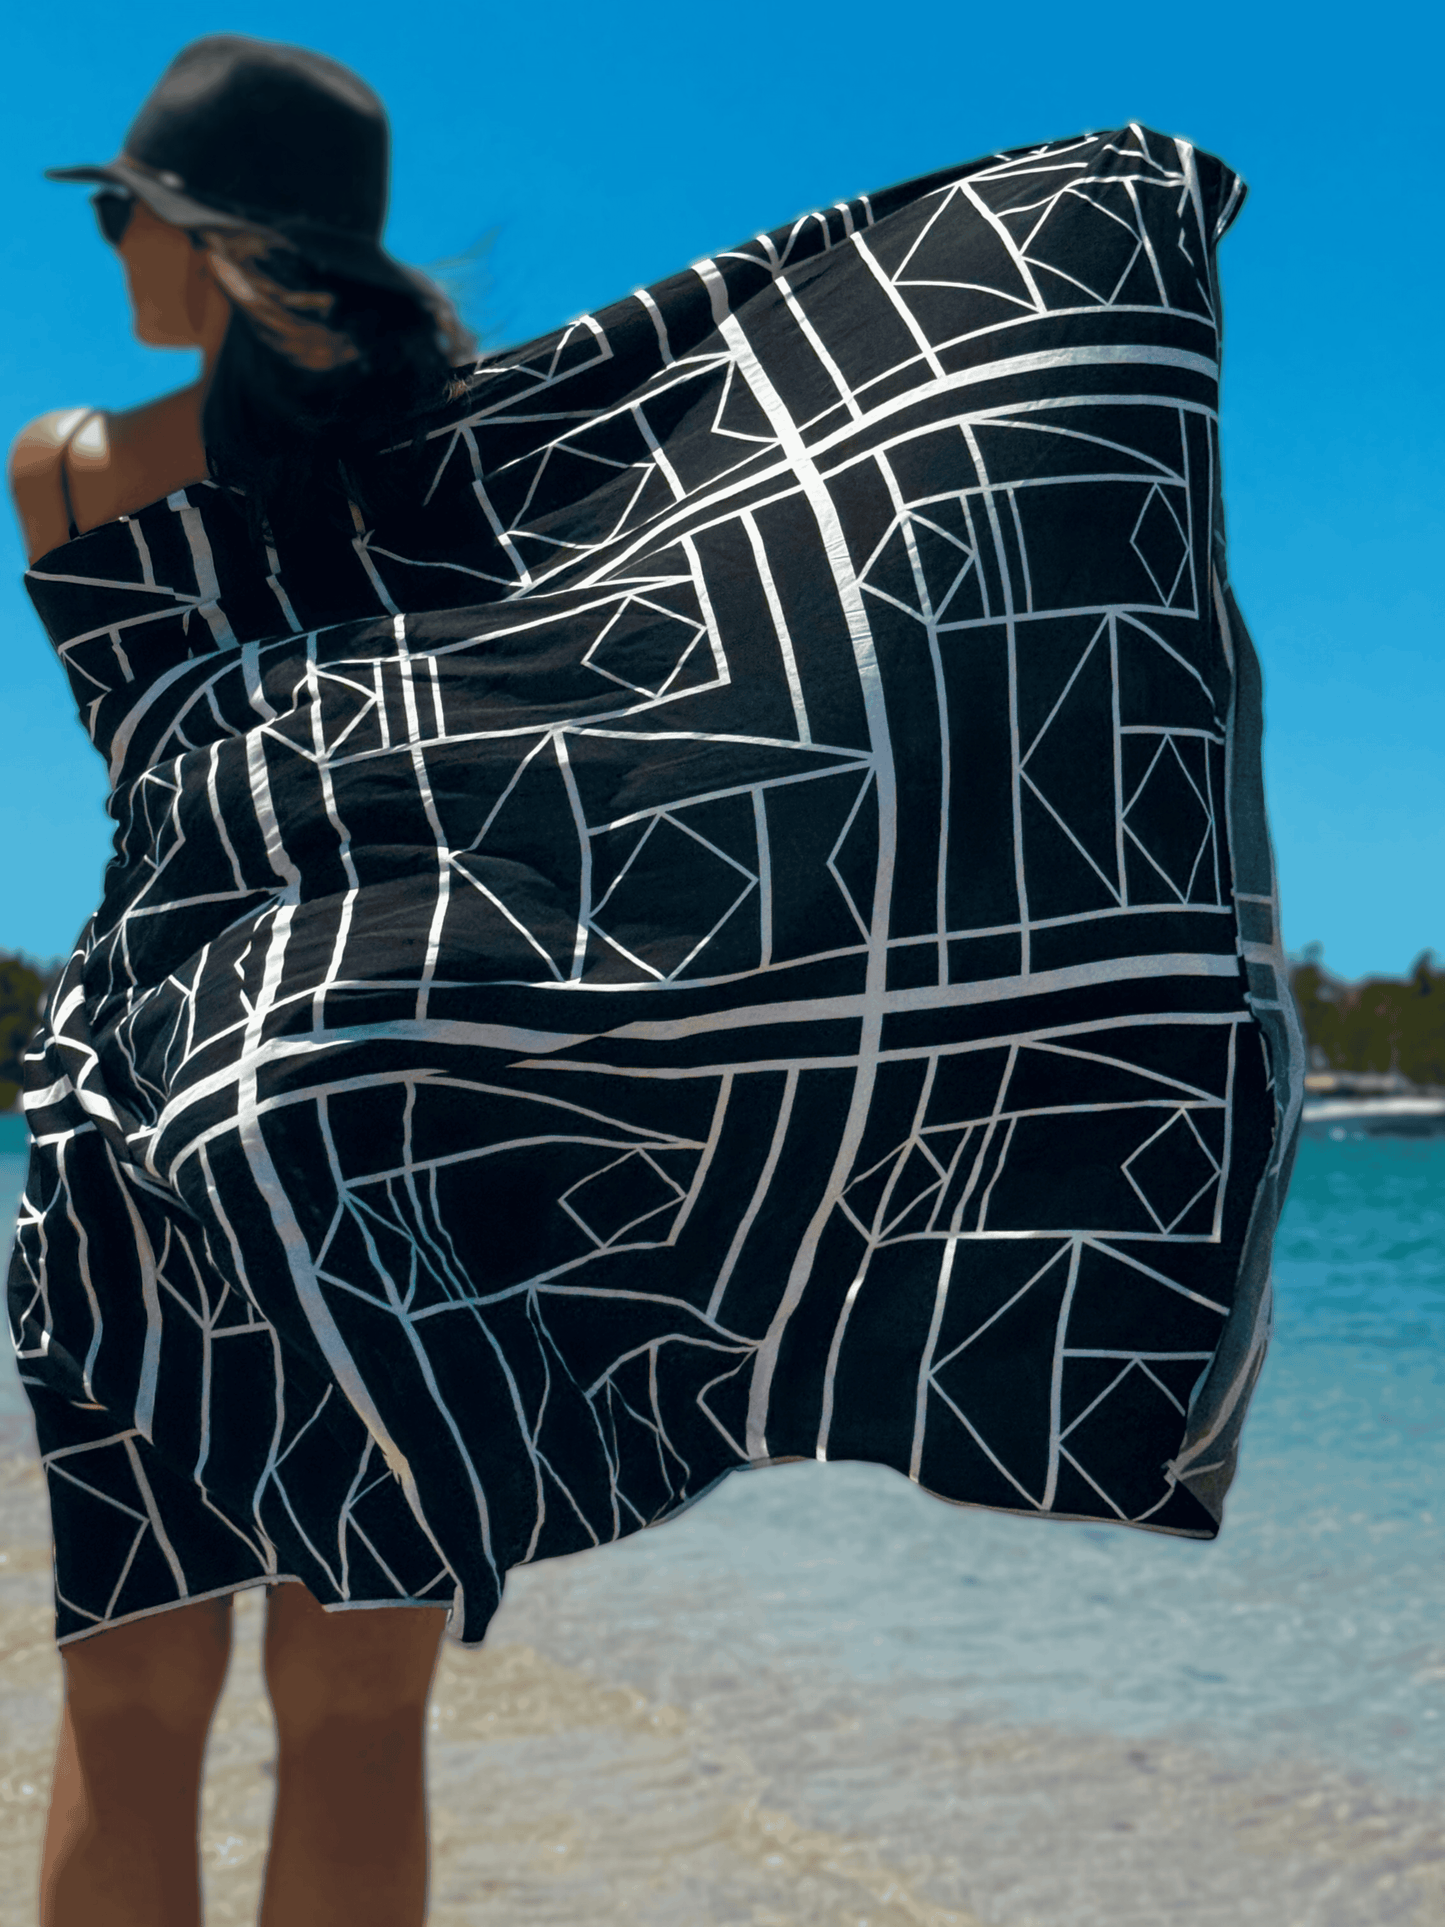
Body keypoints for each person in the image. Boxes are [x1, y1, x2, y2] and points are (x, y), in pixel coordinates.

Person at [8, 33, 1301, 1927]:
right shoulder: (507, 468)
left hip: (151, 1116)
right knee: (360, 1721)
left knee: (127, 1707)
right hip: (389, 1121)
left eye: (125, 210)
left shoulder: (67, 474)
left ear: (202, 238)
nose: (110, 242)